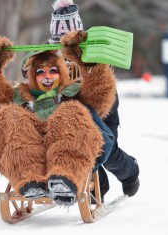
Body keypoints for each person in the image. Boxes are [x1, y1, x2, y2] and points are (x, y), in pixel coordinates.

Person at [0, 31, 117, 206]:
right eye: (40, 72)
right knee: (8, 114)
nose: (47, 76)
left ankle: (63, 178)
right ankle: (30, 180)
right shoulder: (18, 96)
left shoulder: (72, 92)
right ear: (31, 75)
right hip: (30, 152)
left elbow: (100, 95)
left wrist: (88, 62)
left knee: (71, 111)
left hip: (67, 148)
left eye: (53, 71)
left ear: (61, 73)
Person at [48, 0, 140, 201]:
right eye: (58, 39)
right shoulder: (48, 53)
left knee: (105, 149)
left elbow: (101, 82)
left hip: (101, 103)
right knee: (77, 145)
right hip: (69, 107)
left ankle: (130, 171)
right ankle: (97, 187)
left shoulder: (92, 49)